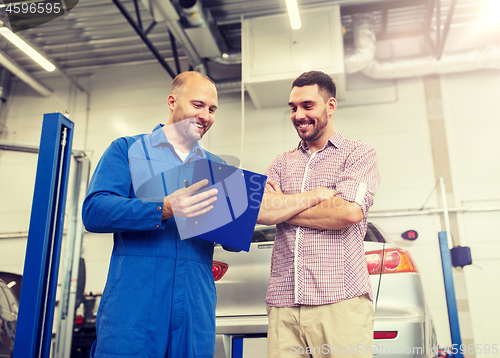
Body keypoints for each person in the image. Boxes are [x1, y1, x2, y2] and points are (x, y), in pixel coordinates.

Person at [82, 71, 226, 358]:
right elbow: (94, 210)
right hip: (135, 302)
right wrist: (164, 208)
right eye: (198, 105)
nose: (206, 116)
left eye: (212, 109)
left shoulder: (217, 168)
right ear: (172, 101)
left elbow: (231, 235)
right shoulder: (127, 150)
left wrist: (254, 203)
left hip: (194, 306)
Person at [256, 71, 381, 358]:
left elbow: (348, 213)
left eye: (307, 106)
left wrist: (282, 208)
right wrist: (314, 196)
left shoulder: (358, 153)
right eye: (293, 107)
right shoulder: (280, 163)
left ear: (331, 106)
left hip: (339, 301)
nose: (298, 114)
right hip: (283, 304)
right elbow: (259, 212)